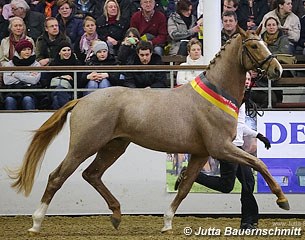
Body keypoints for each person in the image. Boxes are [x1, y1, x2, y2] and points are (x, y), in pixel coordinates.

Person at [174, 73, 272, 230]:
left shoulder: (241, 98)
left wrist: (258, 135)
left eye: (248, 80)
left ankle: (249, 221)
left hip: (237, 147)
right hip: (228, 147)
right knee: (228, 185)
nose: (246, 82)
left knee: (248, 182)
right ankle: (191, 175)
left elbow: (240, 125)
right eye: (244, 79)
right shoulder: (232, 99)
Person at [3, 39, 41, 110]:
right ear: (18, 52)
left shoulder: (36, 64)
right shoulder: (10, 64)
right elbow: (7, 81)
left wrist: (15, 74)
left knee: (27, 100)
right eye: (24, 49)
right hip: (13, 91)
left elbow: (34, 80)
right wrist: (27, 77)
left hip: (30, 92)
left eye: (29, 49)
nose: (27, 52)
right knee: (9, 100)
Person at [47, 41, 82, 109]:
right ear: (59, 52)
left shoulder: (76, 63)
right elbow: (48, 82)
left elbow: (79, 82)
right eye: (64, 50)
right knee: (57, 94)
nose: (67, 52)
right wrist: (62, 77)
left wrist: (69, 81)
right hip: (54, 90)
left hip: (71, 92)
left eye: (69, 50)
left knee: (57, 98)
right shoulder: (53, 64)